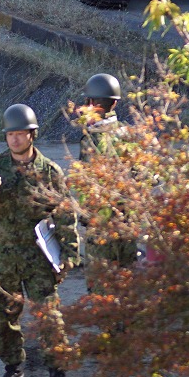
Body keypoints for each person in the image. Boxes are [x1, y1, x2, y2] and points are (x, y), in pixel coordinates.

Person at [0, 104, 80, 377]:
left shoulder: (49, 171)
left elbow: (65, 214)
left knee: (50, 316)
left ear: (32, 135)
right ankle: (13, 370)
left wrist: (69, 255)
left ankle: (58, 373)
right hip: (2, 257)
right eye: (10, 134)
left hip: (39, 257)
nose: (14, 139)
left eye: (20, 134)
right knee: (5, 318)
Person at [74, 73, 138, 273]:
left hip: (101, 227)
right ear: (115, 103)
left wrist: (86, 217)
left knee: (101, 287)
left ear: (91, 103)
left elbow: (88, 186)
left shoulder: (92, 140)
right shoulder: (128, 135)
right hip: (127, 223)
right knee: (127, 285)